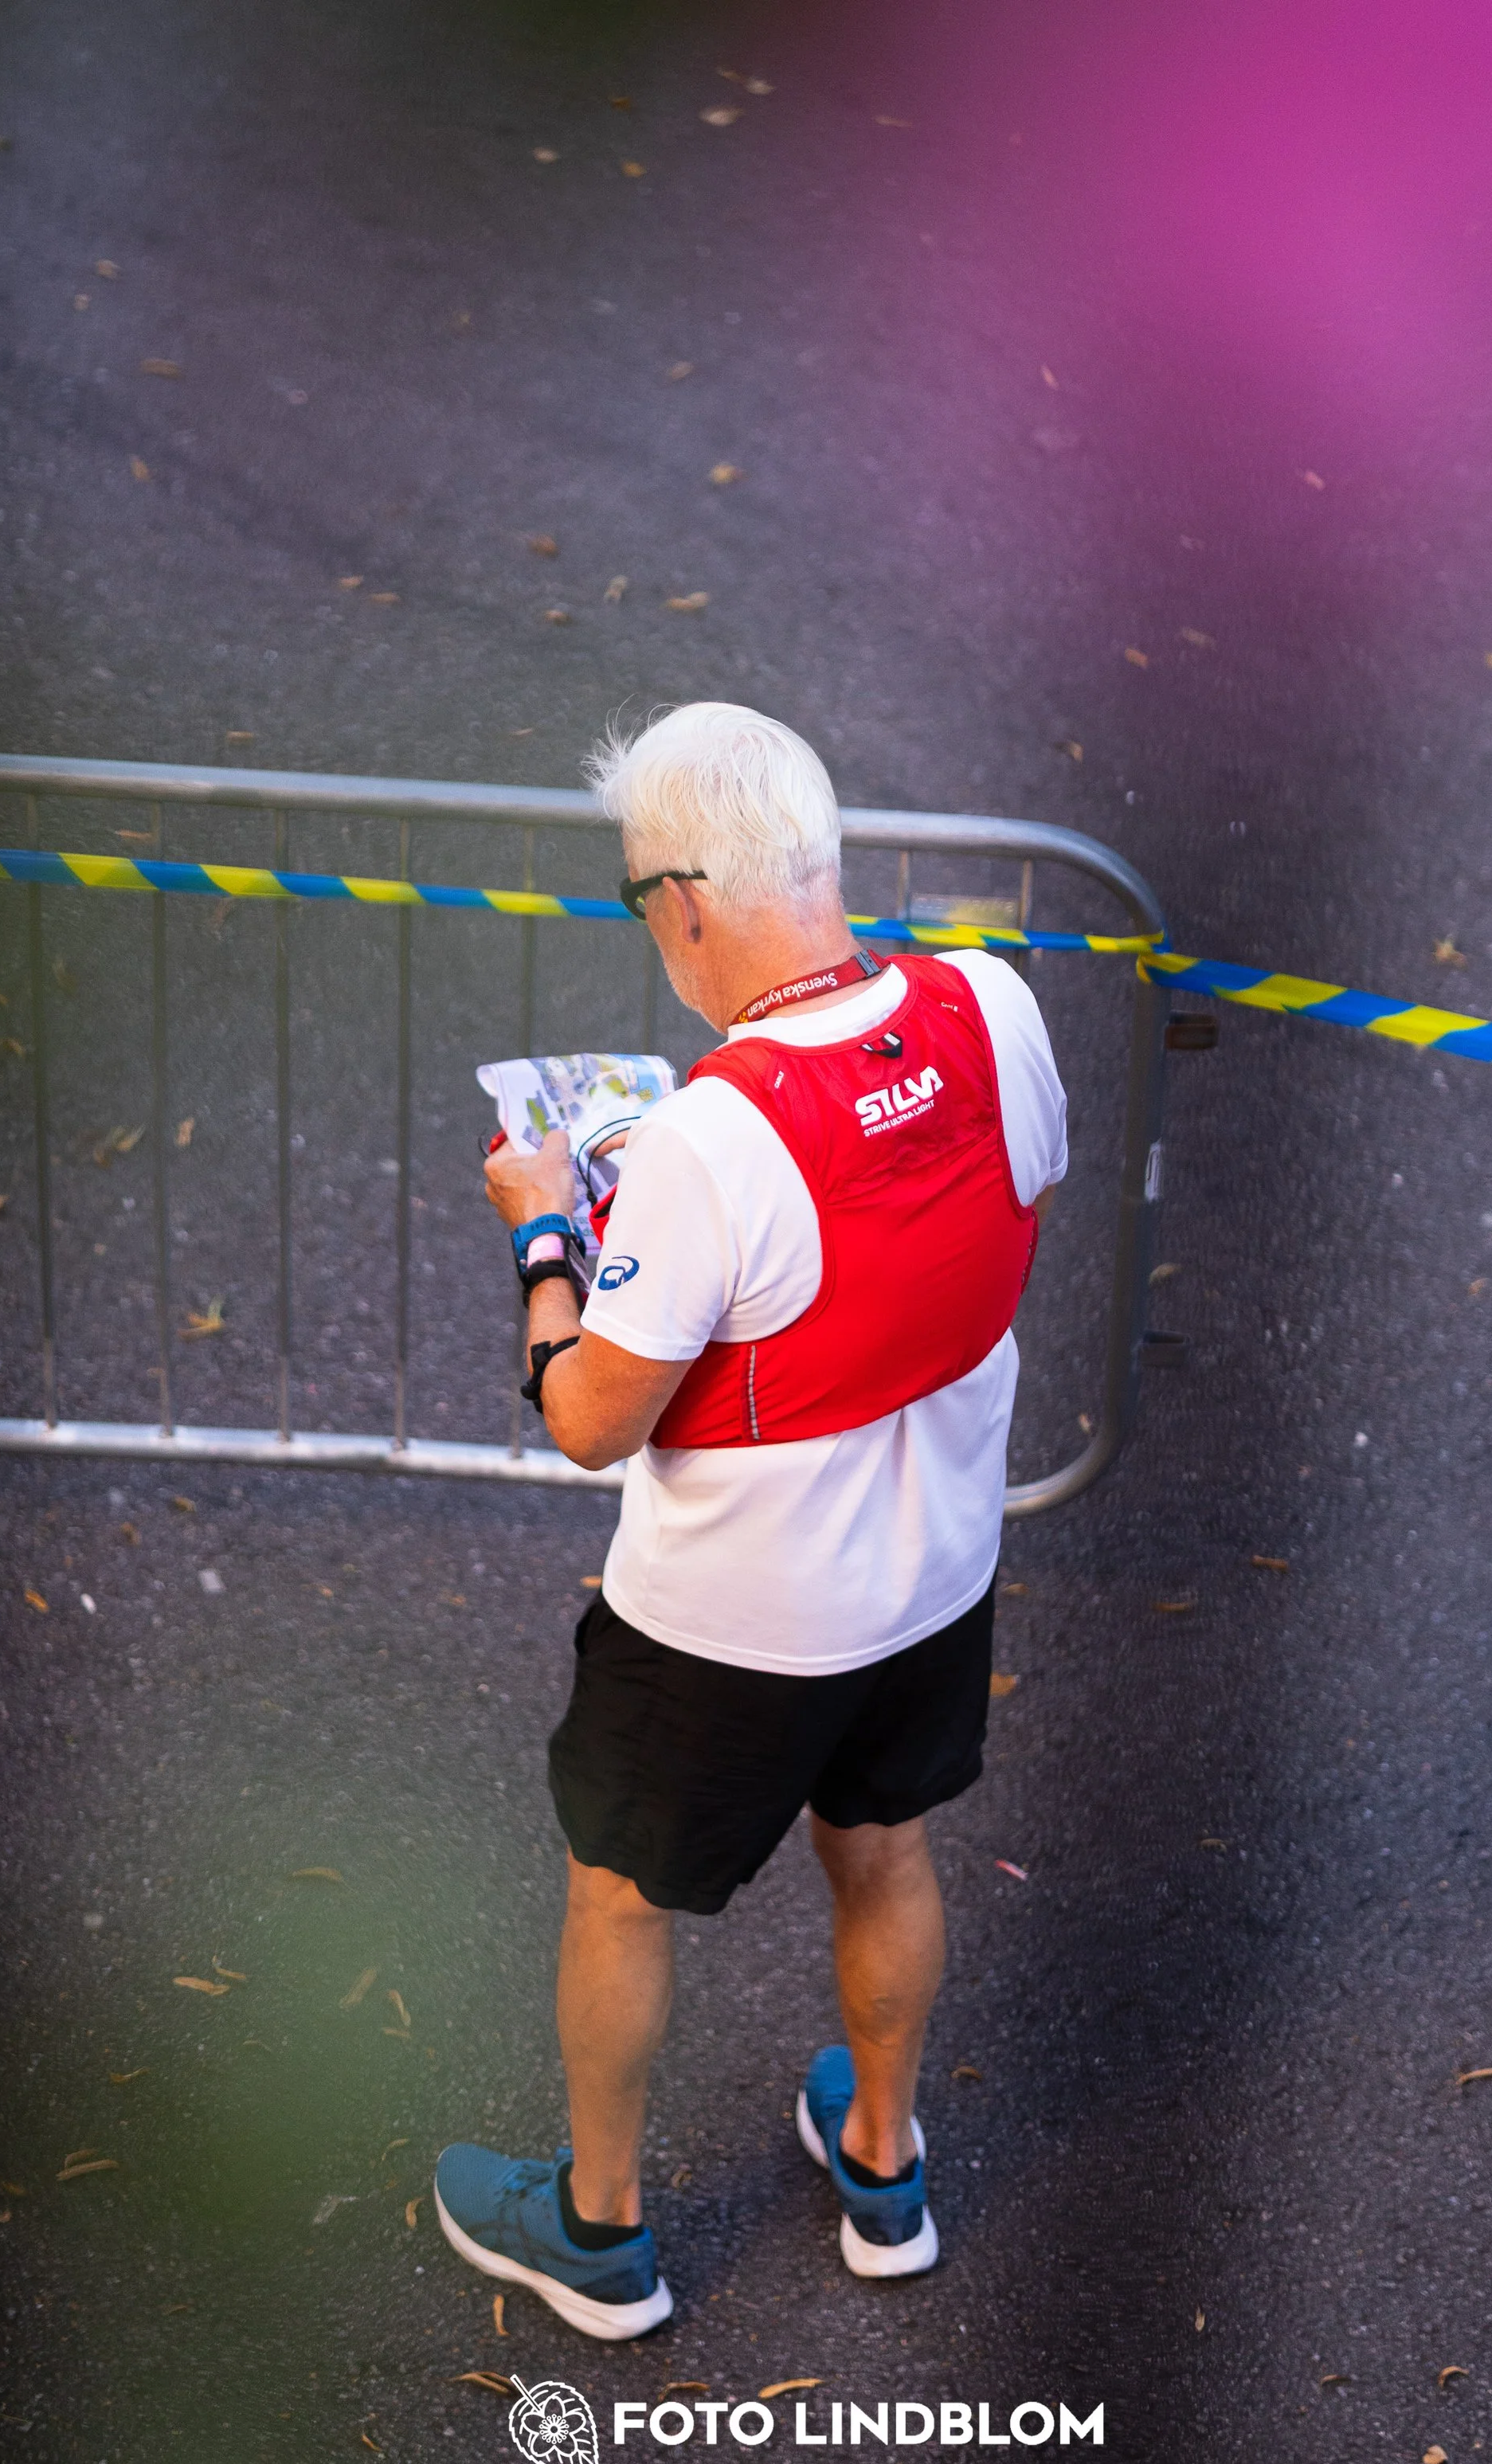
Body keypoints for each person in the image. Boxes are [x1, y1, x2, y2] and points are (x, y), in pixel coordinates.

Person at [433, 702, 1067, 2339]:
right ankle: (883, 2168)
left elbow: (590, 1419)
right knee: (887, 1849)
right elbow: (989, 1226)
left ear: (685, 902)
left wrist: (548, 1236)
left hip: (729, 1621)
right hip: (934, 1572)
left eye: (639, 901)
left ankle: (600, 2231)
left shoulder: (707, 1137)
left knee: (620, 1895)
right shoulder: (995, 1008)